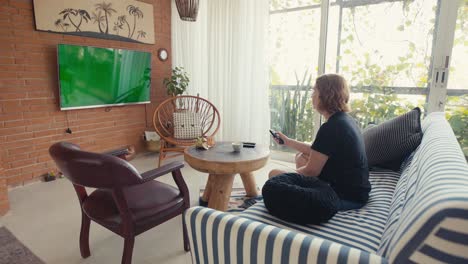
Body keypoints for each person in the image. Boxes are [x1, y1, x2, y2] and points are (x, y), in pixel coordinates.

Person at [270, 73, 371, 211]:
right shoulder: (344, 120)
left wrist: (289, 175)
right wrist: (287, 142)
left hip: (341, 197)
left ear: (325, 95)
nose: (312, 95)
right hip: (356, 192)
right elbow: (317, 151)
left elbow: (311, 171)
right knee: (301, 156)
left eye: (314, 91)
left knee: (274, 174)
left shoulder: (331, 127)